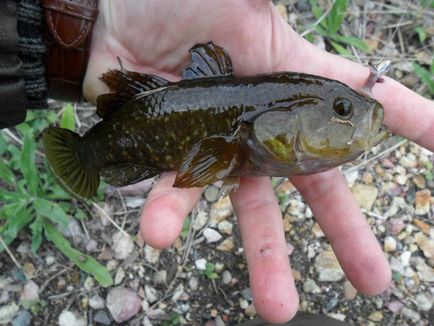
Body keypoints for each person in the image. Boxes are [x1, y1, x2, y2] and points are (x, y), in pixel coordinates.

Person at [2, 1, 434, 324]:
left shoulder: (250, 134)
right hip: (119, 125)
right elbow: (207, 159)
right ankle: (85, 150)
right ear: (276, 122)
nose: (357, 117)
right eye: (341, 109)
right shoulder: (242, 137)